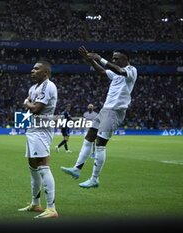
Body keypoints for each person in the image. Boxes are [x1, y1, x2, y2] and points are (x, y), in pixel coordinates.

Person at [61, 46, 138, 189]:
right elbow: (102, 72)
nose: (114, 60)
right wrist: (90, 60)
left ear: (126, 59)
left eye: (116, 58)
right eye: (113, 58)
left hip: (115, 111)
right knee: (89, 137)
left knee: (100, 145)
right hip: (105, 109)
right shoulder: (115, 73)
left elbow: (119, 70)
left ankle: (94, 179)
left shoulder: (131, 70)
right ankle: (77, 169)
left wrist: (100, 59)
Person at [18, 61, 59, 218]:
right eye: (32, 67)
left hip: (42, 129)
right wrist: (29, 103)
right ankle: (35, 204)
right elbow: (30, 105)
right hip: (33, 128)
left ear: (45, 73)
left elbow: (35, 108)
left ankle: (52, 208)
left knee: (43, 165)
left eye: (36, 68)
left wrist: (27, 103)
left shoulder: (49, 86)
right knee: (32, 165)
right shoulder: (33, 88)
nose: (32, 70)